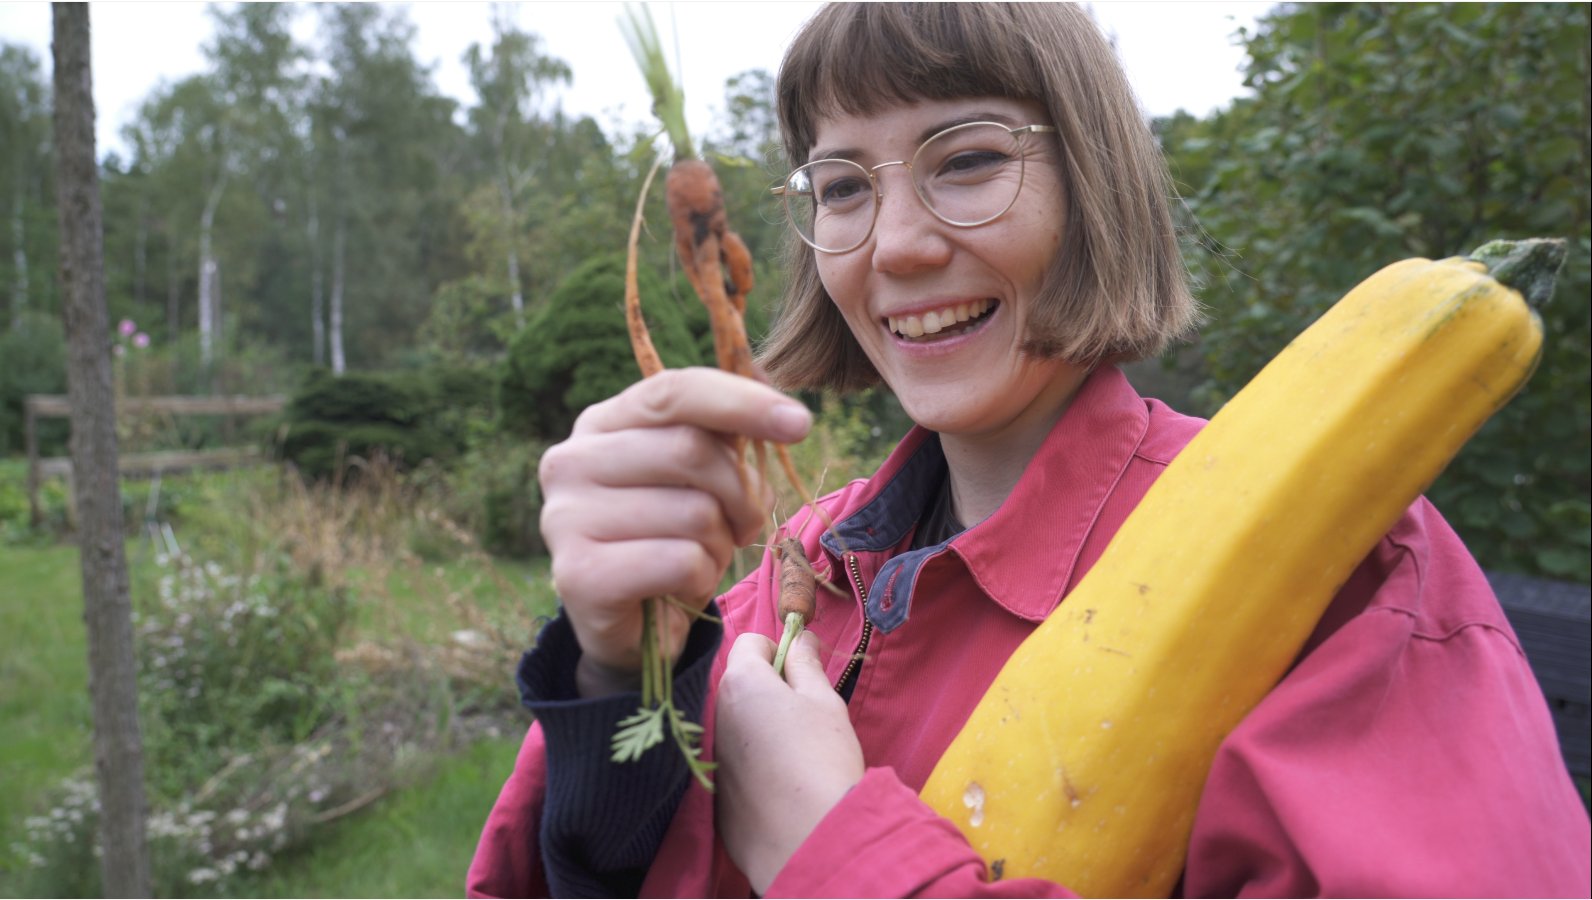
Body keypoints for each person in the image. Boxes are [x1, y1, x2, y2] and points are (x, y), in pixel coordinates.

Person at [469, 4, 1590, 897]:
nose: (894, 246)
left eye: (964, 161)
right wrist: (612, 682)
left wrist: (830, 850)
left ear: (1093, 186)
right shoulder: (795, 569)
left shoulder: (1345, 572)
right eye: (845, 185)